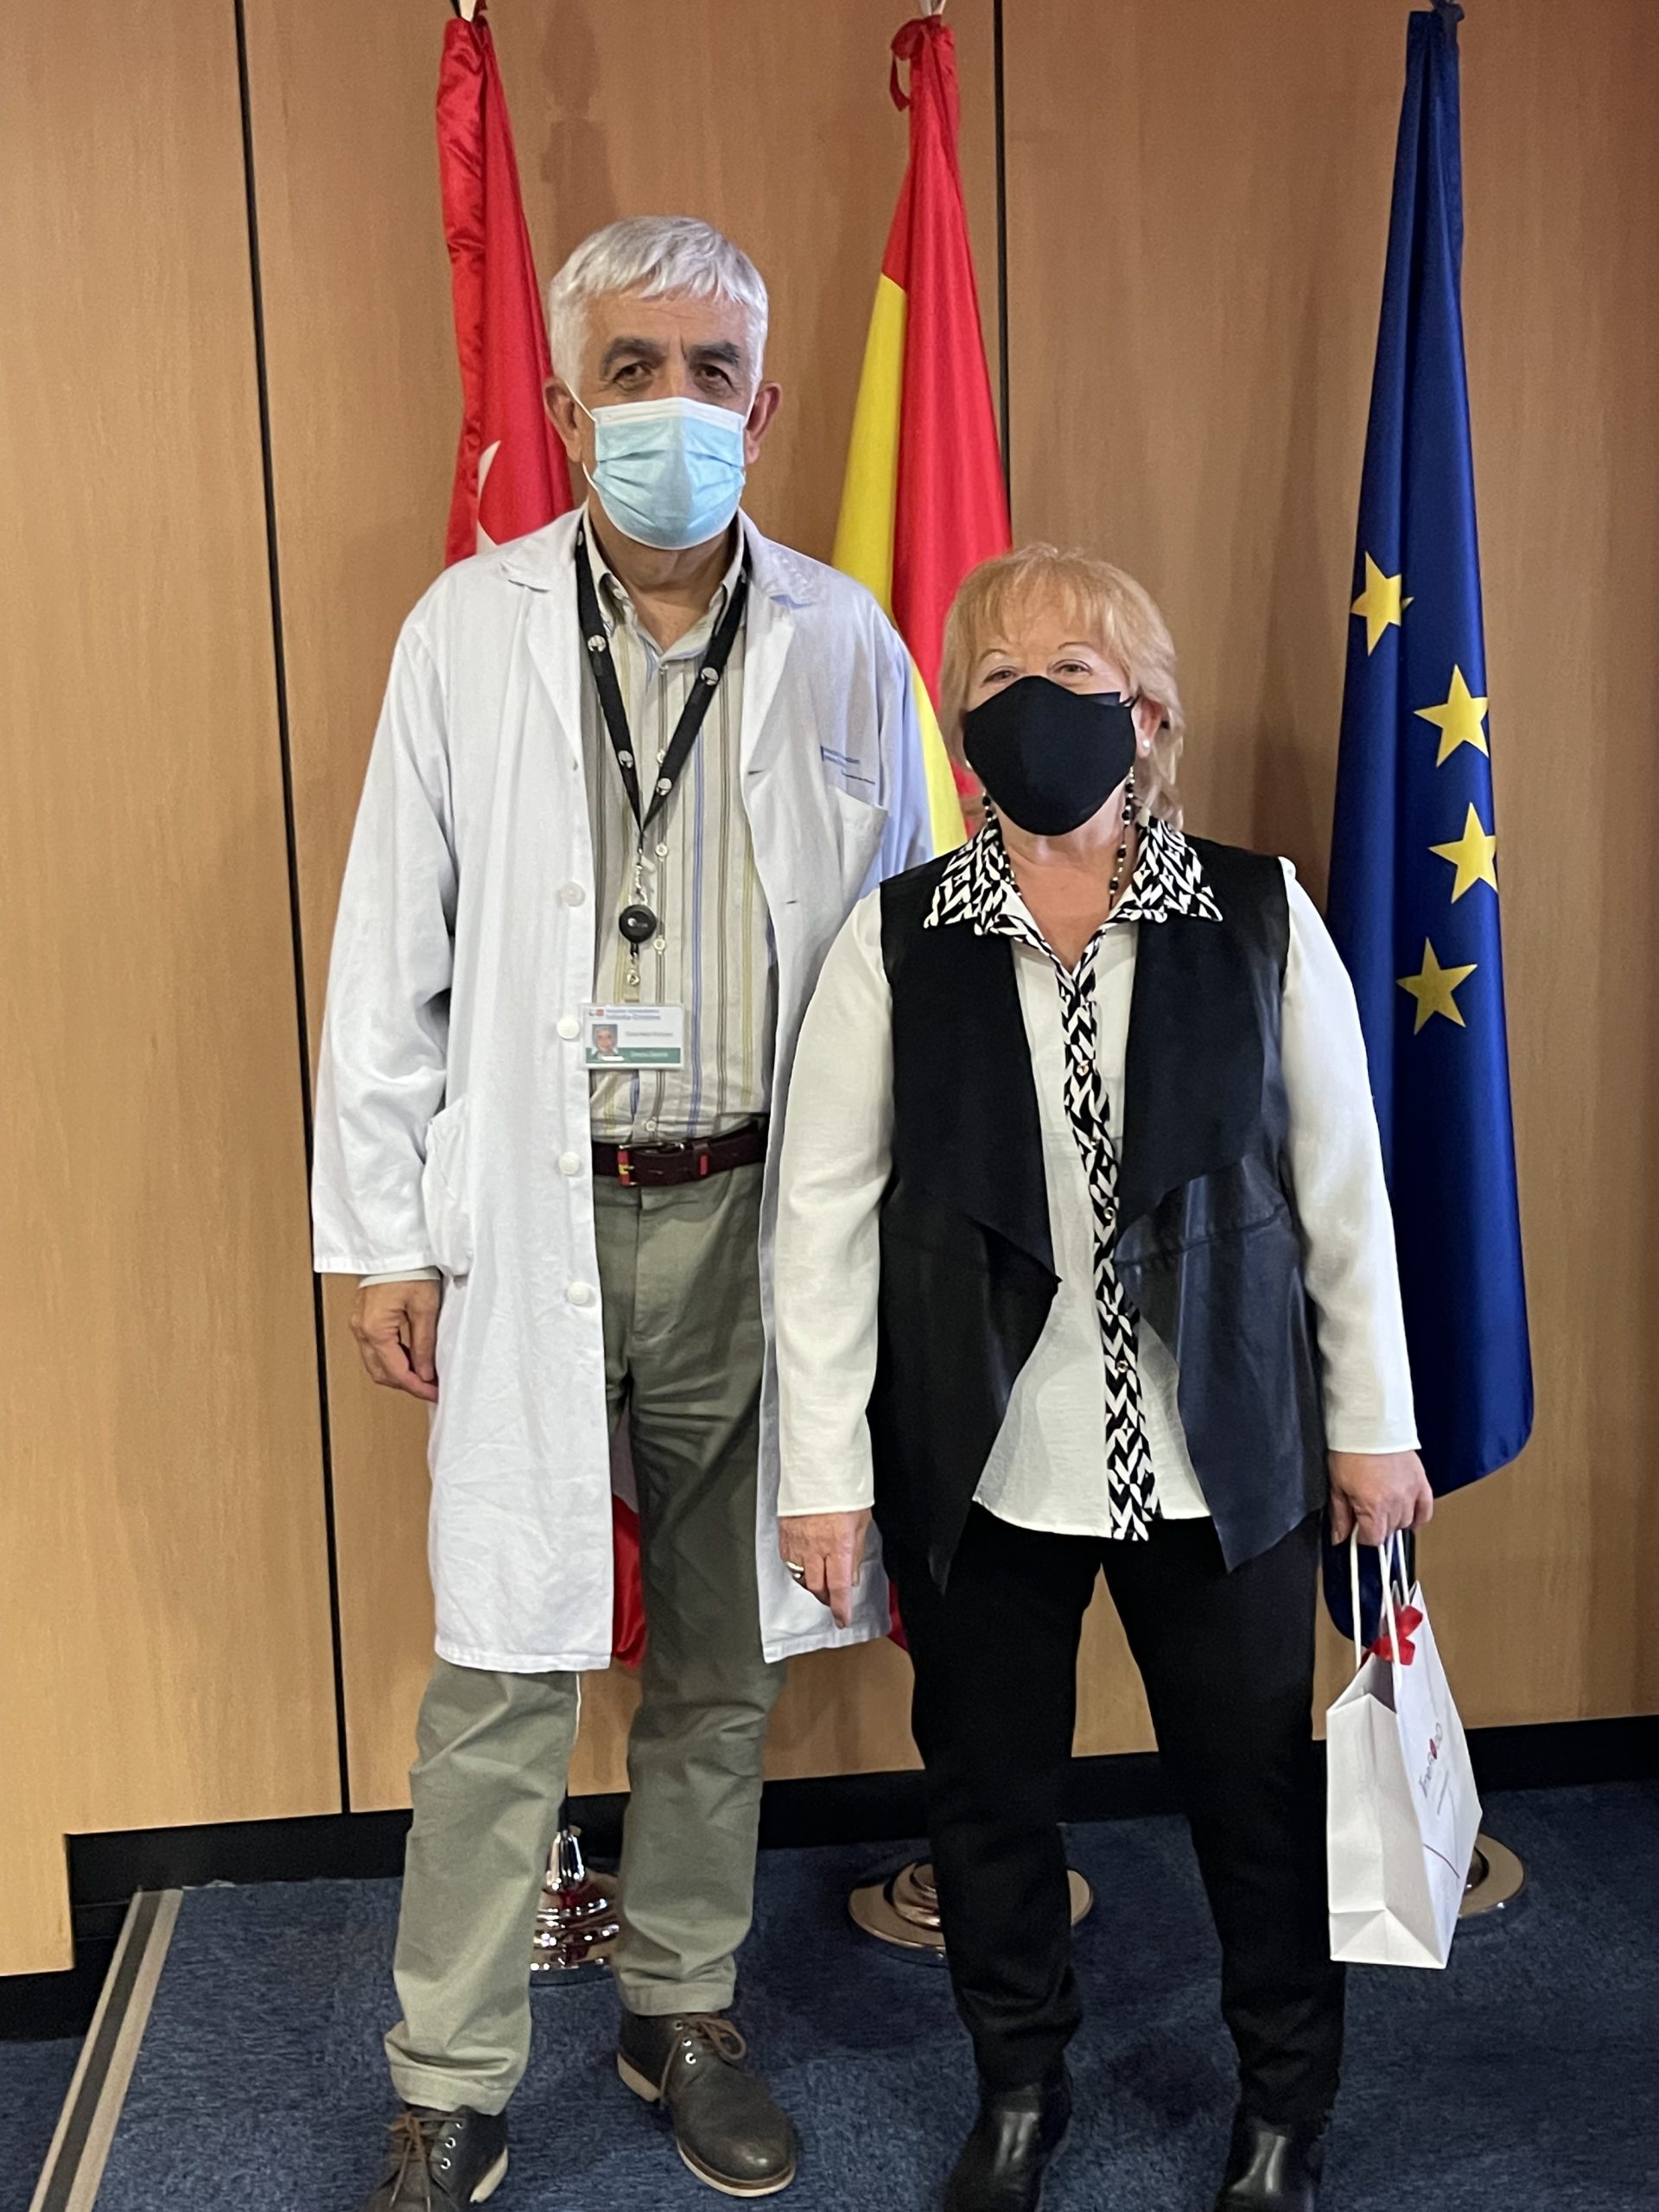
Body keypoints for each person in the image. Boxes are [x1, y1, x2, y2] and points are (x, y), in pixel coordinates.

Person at [312, 215, 931, 2211]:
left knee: (724, 1659)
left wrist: (903, 1247)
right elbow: (387, 951)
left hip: (758, 1216)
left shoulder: (847, 640)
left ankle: (679, 2004)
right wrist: (383, 1233)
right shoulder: (465, 632)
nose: (676, 404)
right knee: (501, 1658)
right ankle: (450, 2076)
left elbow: (911, 953)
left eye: (712, 370)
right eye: (634, 369)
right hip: (535, 1217)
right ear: (571, 405)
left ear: (769, 400)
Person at [772, 545, 1429, 2212]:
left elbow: (1343, 1192)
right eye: (1002, 676)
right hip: (990, 1462)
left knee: (1254, 1799)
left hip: (1222, 1456)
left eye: (1077, 673)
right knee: (988, 1804)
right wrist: (825, 1475)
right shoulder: (896, 944)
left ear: (1146, 714)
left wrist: (1373, 1429)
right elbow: (820, 1223)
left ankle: (1283, 2105)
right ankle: (1018, 2089)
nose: (1039, 704)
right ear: (961, 724)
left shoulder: (1259, 917)